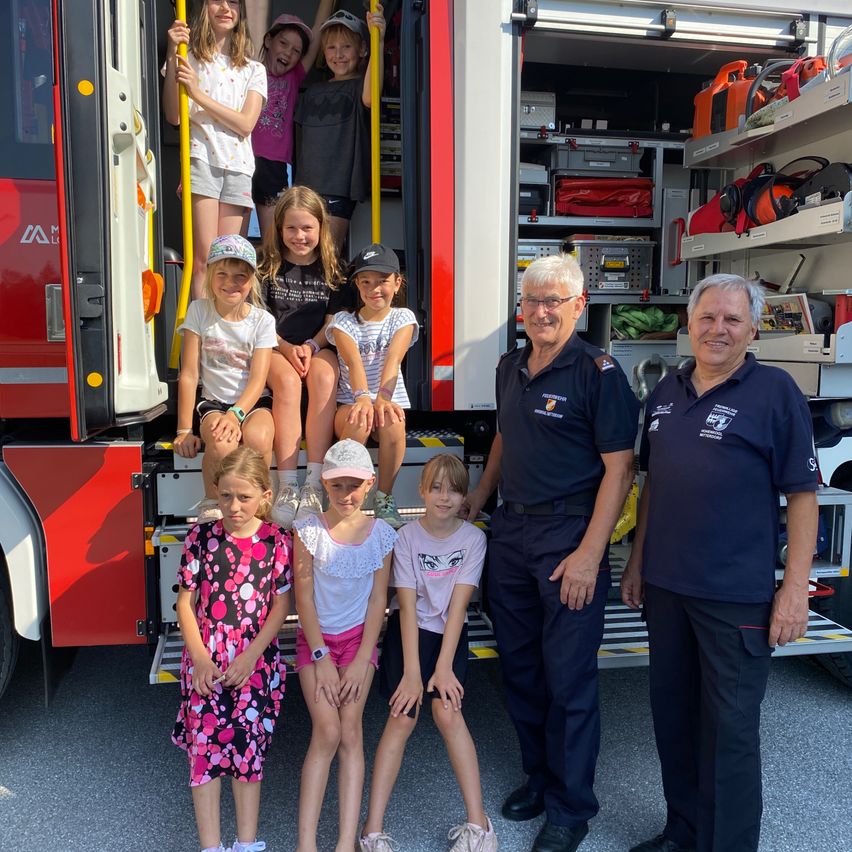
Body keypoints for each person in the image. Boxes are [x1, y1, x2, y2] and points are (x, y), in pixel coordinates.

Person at [620, 274, 819, 852]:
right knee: (674, 721)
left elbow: (802, 494)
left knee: (729, 733)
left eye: (732, 319)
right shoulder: (664, 394)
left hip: (736, 597)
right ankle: (683, 832)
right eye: (707, 317)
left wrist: (795, 589)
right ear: (689, 323)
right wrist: (637, 561)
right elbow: (653, 484)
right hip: (666, 588)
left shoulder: (774, 392)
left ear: (753, 329)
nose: (718, 329)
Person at [463, 254, 639, 852]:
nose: (541, 311)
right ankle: (539, 779)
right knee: (521, 669)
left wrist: (592, 556)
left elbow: (621, 471)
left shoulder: (599, 372)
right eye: (532, 300)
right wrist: (479, 499)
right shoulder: (510, 366)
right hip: (511, 533)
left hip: (569, 539)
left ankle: (571, 808)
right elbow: (507, 438)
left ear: (579, 306)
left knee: (569, 679)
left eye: (554, 301)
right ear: (521, 308)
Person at [361, 453, 498, 852]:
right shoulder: (405, 537)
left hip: (448, 637)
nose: (444, 497)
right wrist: (411, 673)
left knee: (447, 712)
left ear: (463, 496)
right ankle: (372, 832)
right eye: (435, 487)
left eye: (454, 489)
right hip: (410, 633)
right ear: (421, 490)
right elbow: (404, 606)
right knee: (402, 717)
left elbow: (457, 608)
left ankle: (480, 827)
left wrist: (442, 668)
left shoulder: (474, 539)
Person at [173, 446, 292, 852]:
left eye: (244, 496)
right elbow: (185, 604)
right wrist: (201, 658)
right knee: (204, 752)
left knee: (246, 751)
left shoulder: (276, 540)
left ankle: (246, 843)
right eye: (226, 496)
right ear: (216, 493)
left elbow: (281, 606)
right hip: (206, 657)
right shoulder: (200, 538)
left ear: (265, 495)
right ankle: (211, 846)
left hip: (252, 659)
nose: (234, 506)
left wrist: (252, 654)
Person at [293, 439, 396, 852]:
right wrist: (320, 658)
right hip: (316, 642)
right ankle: (306, 843)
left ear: (370, 484)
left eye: (355, 485)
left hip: (358, 644)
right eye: (338, 486)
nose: (347, 495)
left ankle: (344, 842)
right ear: (324, 485)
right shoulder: (309, 529)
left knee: (351, 731)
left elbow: (377, 601)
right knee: (327, 730)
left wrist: (359, 662)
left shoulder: (381, 535)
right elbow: (303, 597)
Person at [257, 186, 354, 528]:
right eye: (292, 228)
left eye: (307, 228)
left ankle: (313, 482)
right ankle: (287, 484)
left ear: (321, 229)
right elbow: (262, 321)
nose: (300, 236)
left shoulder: (333, 270)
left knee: (325, 377)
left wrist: (311, 347)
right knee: (285, 380)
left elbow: (332, 322)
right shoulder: (267, 267)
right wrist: (286, 348)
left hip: (318, 345)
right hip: (272, 345)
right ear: (279, 229)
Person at [163, 0, 266, 298]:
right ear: (204, 7)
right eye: (217, 1)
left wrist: (198, 95)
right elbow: (173, 114)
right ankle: (204, 337)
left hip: (238, 166)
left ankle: (227, 334)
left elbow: (246, 123)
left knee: (231, 261)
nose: (225, 8)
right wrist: (173, 52)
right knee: (204, 260)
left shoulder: (253, 69)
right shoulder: (188, 57)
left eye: (233, 2)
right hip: (202, 159)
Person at [173, 235, 277, 523]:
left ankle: (258, 502)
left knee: (258, 437)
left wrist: (237, 414)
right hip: (214, 403)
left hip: (252, 402)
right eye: (222, 274)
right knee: (220, 443)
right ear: (210, 275)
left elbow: (258, 380)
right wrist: (184, 429)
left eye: (240, 276)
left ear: (252, 280)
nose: (230, 283)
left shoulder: (262, 321)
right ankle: (211, 500)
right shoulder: (199, 311)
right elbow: (190, 373)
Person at [327, 243, 418, 530]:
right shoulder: (343, 321)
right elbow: (353, 362)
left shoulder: (402, 317)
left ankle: (384, 497)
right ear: (356, 284)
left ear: (397, 282)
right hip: (352, 402)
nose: (374, 289)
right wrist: (363, 399)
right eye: (366, 282)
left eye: (382, 281)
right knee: (359, 418)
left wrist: (382, 399)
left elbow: (394, 358)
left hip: (387, 400)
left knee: (392, 420)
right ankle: (343, 496)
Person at [295, 5, 386, 248]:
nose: (339, 54)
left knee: (328, 253)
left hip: (338, 187)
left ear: (362, 50)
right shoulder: (311, 92)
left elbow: (370, 97)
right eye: (331, 48)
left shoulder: (359, 86)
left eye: (346, 46)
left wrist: (378, 39)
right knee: (303, 253)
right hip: (305, 188)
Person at [251, 2, 334, 241]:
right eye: (283, 43)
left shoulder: (294, 76)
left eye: (296, 50)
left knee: (271, 237)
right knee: (240, 233)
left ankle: (268, 277)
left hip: (275, 165)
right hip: (244, 158)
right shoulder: (251, 69)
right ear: (268, 41)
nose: (288, 53)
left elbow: (318, 30)